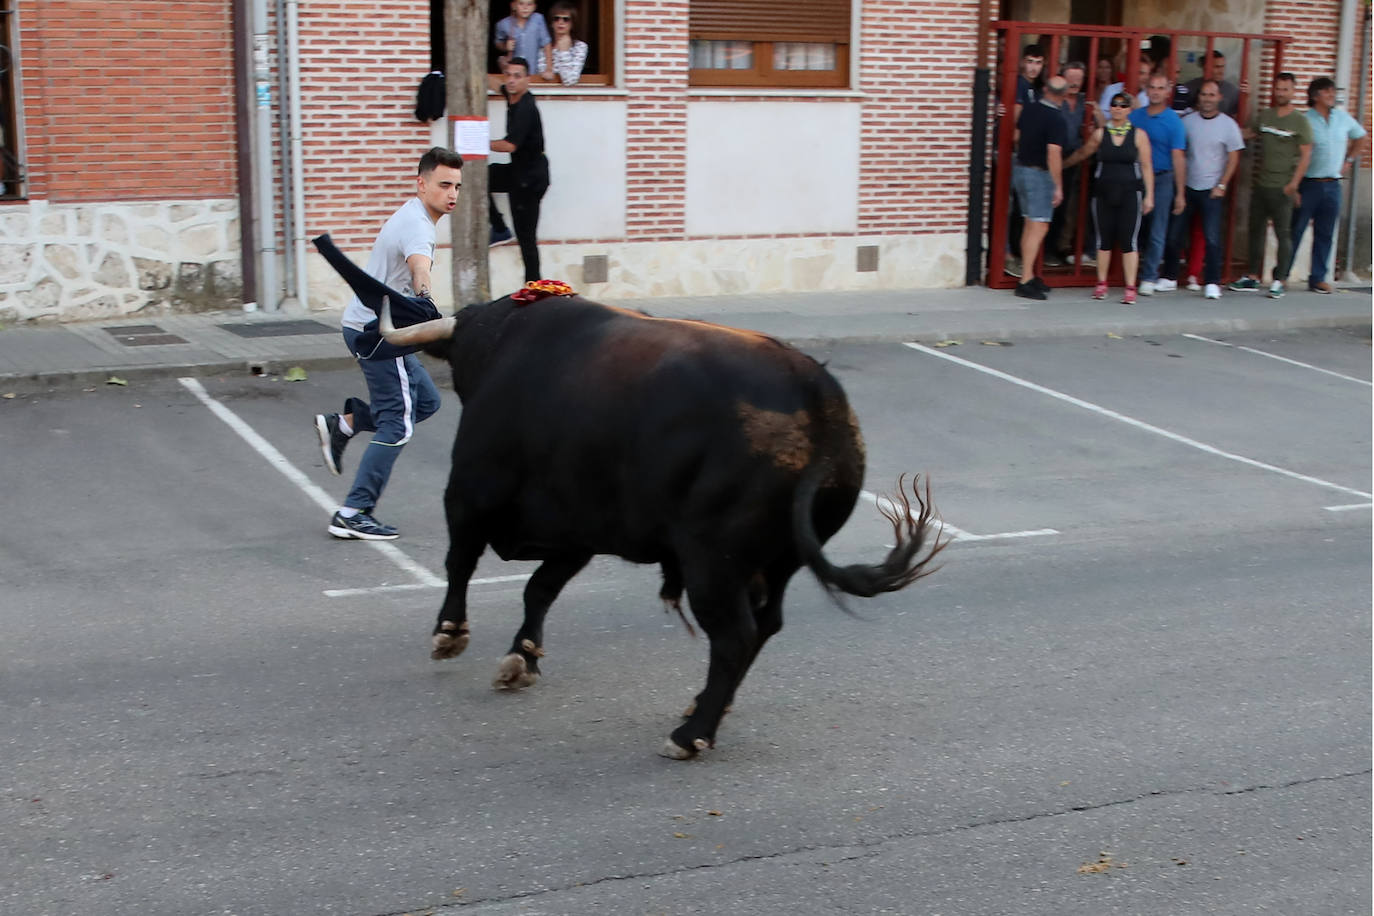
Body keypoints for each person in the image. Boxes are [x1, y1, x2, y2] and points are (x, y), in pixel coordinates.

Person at [314, 147, 462, 540]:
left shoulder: (415, 216)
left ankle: (344, 424)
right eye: (444, 184)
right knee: (397, 423)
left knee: (426, 402)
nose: (452, 194)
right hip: (379, 335)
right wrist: (426, 298)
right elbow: (419, 266)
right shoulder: (417, 226)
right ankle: (353, 511)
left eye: (457, 187)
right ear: (421, 183)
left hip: (372, 328)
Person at [1158, 80, 1244, 300]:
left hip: (1212, 190)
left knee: (1212, 238)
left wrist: (1222, 184)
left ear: (1219, 98)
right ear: (1199, 97)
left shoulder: (1228, 125)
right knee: (1175, 234)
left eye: (1212, 95)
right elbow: (1179, 151)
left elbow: (1234, 157)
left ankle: (1213, 282)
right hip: (1187, 185)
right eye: (1204, 94)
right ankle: (1169, 277)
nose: (1207, 99)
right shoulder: (1187, 122)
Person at [1065, 92, 1154, 303]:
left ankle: (1130, 286)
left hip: (1131, 192)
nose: (1118, 109)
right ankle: (1101, 283)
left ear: (1129, 110)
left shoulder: (1138, 135)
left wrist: (1149, 196)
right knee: (1103, 239)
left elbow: (1147, 166)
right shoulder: (1100, 133)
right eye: (1114, 105)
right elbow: (1083, 153)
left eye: (1123, 106)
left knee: (1128, 240)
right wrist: (1062, 165)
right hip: (1104, 192)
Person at [1229, 73, 1313, 298]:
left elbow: (1306, 155)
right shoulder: (1265, 116)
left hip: (1283, 187)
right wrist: (1227, 123)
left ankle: (1280, 280)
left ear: (1293, 92)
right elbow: (1246, 133)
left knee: (1283, 234)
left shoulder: (1299, 121)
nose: (1281, 93)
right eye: (1278, 89)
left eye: (1285, 89)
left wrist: (1294, 184)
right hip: (1261, 185)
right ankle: (1252, 276)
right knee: (1255, 232)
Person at [1290, 76, 1369, 293]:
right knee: (1295, 230)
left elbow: (1361, 137)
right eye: (1327, 92)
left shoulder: (1342, 118)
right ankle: (1282, 274)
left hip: (1333, 184)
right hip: (1309, 184)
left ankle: (1317, 278)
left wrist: (1349, 160)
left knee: (1325, 233)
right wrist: (1294, 185)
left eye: (1333, 91)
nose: (1332, 95)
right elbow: (1294, 154)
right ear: (1315, 96)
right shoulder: (1305, 120)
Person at [489, 57, 550, 282]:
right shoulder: (512, 95)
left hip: (531, 179)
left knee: (526, 238)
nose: (511, 81)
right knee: (483, 178)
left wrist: (478, 142)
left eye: (517, 76)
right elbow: (496, 85)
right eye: (509, 75)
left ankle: (534, 288)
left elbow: (509, 145)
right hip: (518, 172)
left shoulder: (525, 107)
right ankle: (499, 228)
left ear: (527, 80)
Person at [1010, 76, 1068, 300]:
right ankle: (1025, 279)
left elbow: (1018, 136)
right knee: (1039, 227)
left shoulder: (1030, 110)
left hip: (1022, 170)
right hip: (1039, 175)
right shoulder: (1056, 119)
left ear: (1045, 90)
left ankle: (1028, 274)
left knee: (1029, 224)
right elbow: (1054, 153)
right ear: (1063, 95)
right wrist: (1058, 186)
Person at [1129, 72, 1187, 295]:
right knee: (1134, 227)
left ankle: (1149, 277)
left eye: (1160, 88)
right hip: (1136, 177)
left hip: (1162, 178)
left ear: (1167, 91)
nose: (1155, 92)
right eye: (1152, 87)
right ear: (1146, 89)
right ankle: (1130, 272)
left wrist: (1180, 193)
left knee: (1157, 229)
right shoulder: (1135, 116)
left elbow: (1178, 158)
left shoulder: (1174, 121)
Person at [1004, 43, 1045, 279]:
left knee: (1021, 210)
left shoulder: (1034, 87)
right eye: (1030, 61)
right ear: (1022, 62)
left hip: (1024, 155)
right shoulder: (1020, 85)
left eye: (1038, 63)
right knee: (1009, 207)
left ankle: (1016, 256)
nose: (1033, 67)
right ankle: (1007, 255)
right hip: (1016, 154)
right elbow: (1017, 124)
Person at [1048, 61, 1091, 266]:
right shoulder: (1054, 101)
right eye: (1071, 79)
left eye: (1079, 79)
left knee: (1069, 207)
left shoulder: (1085, 102)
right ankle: (1045, 250)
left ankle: (1059, 247)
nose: (1075, 83)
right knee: (1049, 205)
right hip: (1053, 156)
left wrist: (1097, 112)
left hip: (1076, 159)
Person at [494, 0, 552, 80]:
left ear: (534, 7)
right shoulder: (503, 24)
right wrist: (505, 46)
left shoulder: (538, 20)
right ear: (513, 6)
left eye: (529, 4)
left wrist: (548, 69)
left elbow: (547, 44)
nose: (525, 8)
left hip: (535, 72)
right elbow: (498, 43)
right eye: (521, 4)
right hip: (515, 75)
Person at [1182, 51, 1241, 117]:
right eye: (1217, 67)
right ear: (1205, 68)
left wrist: (1246, 97)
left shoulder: (1231, 90)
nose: (1221, 71)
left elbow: (1240, 119)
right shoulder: (1189, 88)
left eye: (1223, 67)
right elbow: (1180, 116)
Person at [547, 2, 588, 86]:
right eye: (556, 18)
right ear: (551, 23)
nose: (560, 22)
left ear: (572, 24)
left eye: (566, 19)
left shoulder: (580, 47)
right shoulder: (544, 46)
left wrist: (564, 52)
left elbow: (570, 81)